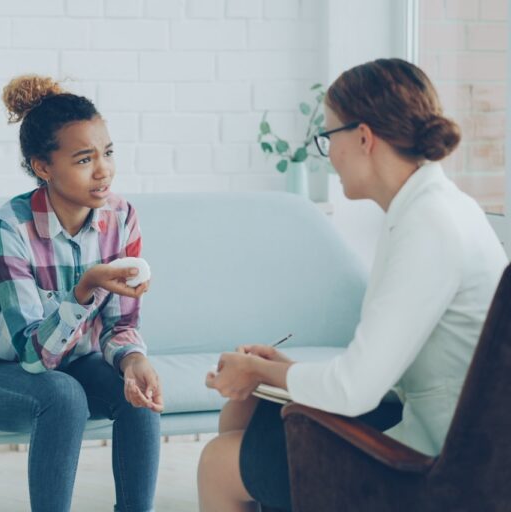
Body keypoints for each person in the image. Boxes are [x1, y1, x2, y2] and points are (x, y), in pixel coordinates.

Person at [198, 58, 508, 512]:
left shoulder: (427, 226)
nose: (329, 155)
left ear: (363, 138)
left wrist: (264, 372)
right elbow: (385, 367)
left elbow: (355, 390)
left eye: (328, 137)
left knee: (218, 463)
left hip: (437, 463)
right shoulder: (435, 208)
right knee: (244, 419)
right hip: (447, 432)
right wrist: (281, 371)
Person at [0, 75, 163, 512]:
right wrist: (84, 288)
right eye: (84, 159)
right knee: (63, 393)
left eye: (107, 153)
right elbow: (33, 357)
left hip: (73, 366)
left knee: (138, 389)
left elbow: (121, 324)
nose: (103, 169)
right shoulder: (10, 226)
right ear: (42, 167)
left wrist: (133, 359)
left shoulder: (121, 217)